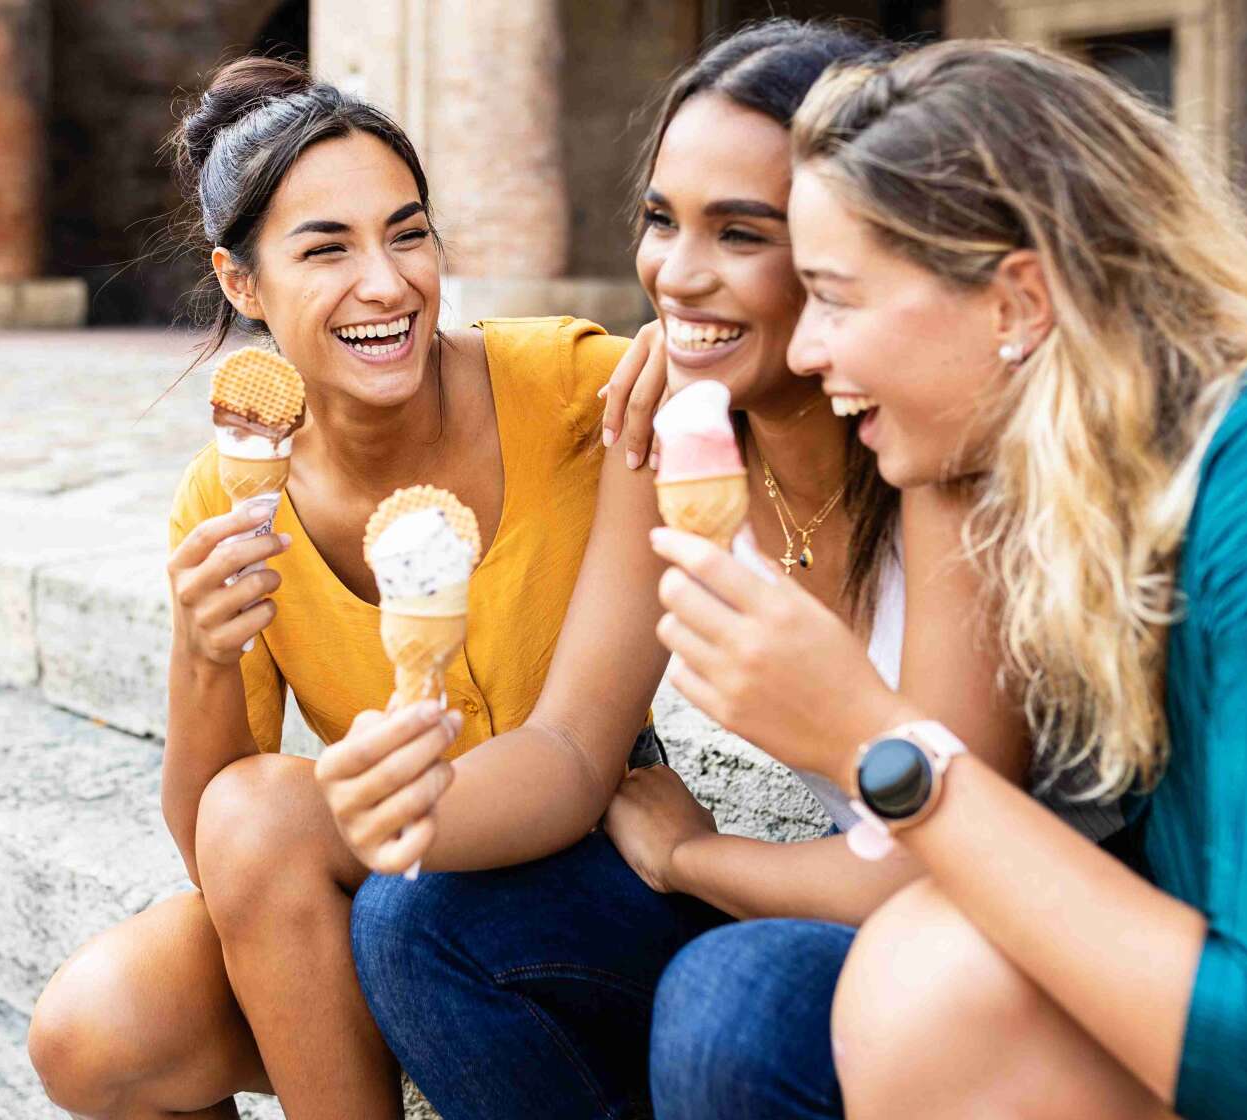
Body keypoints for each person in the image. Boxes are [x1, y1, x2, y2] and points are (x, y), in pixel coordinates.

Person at [645, 39, 1247, 1119]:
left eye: (836, 297)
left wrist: (871, 740)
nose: (807, 351)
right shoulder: (1116, 498)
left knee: (925, 986)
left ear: (1020, 303)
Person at [331, 22, 1079, 1119]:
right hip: (863, 884)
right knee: (416, 918)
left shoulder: (931, 443)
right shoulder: (676, 425)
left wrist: (694, 859)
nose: (676, 276)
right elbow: (575, 747)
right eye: (660, 220)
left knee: (729, 998)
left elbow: (930, 861)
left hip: (1004, 929)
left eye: (741, 232)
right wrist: (423, 800)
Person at [24, 57, 633, 1119]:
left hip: (589, 868)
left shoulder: (569, 385)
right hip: (393, 870)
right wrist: (205, 648)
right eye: (328, 249)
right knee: (97, 1029)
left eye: (409, 233)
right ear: (240, 284)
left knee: (280, 828)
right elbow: (215, 841)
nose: (389, 283)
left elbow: (737, 385)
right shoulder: (225, 497)